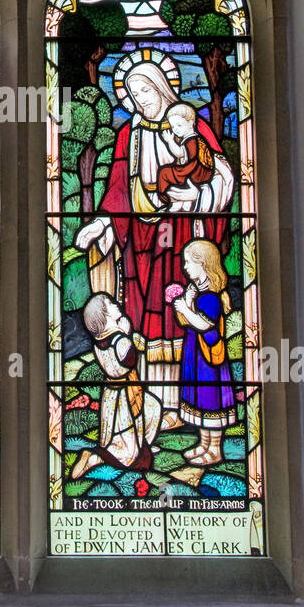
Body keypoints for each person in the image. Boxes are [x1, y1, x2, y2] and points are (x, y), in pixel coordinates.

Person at [75, 56, 233, 436]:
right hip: (140, 236)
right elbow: (116, 186)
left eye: (145, 89)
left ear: (162, 86)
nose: (140, 97)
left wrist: (195, 196)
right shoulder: (129, 133)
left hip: (180, 231)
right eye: (132, 92)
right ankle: (154, 401)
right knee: (145, 312)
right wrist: (101, 221)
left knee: (179, 314)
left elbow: (223, 175)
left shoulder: (191, 127)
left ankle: (187, 404)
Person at [71, 292, 151, 479]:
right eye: (112, 304)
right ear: (105, 315)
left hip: (111, 394)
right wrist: (126, 333)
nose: (117, 306)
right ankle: (94, 458)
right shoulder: (119, 340)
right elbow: (128, 361)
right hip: (124, 394)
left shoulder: (99, 343)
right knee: (128, 451)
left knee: (123, 432)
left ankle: (116, 450)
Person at [174, 239, 237, 467]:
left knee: (210, 399)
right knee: (198, 397)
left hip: (208, 359)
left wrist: (186, 310)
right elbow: (191, 323)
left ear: (204, 264)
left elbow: (205, 325)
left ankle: (215, 448)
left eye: (189, 262)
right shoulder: (199, 292)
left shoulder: (211, 296)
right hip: (196, 353)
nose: (185, 267)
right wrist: (188, 303)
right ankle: (204, 443)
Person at [156, 102, 214, 205]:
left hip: (194, 171)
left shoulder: (192, 140)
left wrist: (170, 141)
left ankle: (166, 197)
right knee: (166, 172)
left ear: (191, 123)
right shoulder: (192, 139)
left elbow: (179, 153)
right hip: (193, 170)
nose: (176, 129)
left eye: (179, 125)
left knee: (164, 173)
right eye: (173, 127)